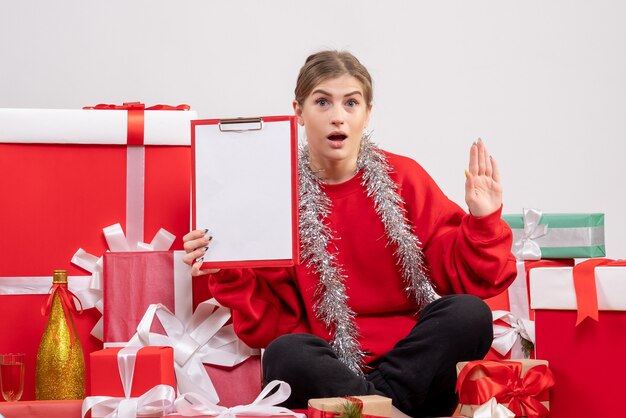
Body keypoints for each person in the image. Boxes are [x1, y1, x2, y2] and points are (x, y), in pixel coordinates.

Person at [183, 50, 517, 418]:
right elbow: (268, 325)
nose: (337, 116)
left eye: (351, 103)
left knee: (469, 314)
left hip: (416, 370)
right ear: (298, 111)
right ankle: (391, 412)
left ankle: (377, 410)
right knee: (285, 353)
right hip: (331, 372)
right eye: (322, 102)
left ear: (367, 112)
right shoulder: (275, 194)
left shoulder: (404, 176)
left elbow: (469, 277)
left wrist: (484, 220)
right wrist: (225, 267)